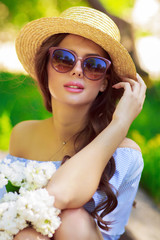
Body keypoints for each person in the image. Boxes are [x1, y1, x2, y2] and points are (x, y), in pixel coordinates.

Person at [3, 6, 146, 240]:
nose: (77, 71)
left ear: (104, 83)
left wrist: (120, 125)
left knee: (71, 219)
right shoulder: (23, 134)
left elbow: (57, 195)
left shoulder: (125, 154)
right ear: (46, 69)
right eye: (63, 59)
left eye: (94, 65)